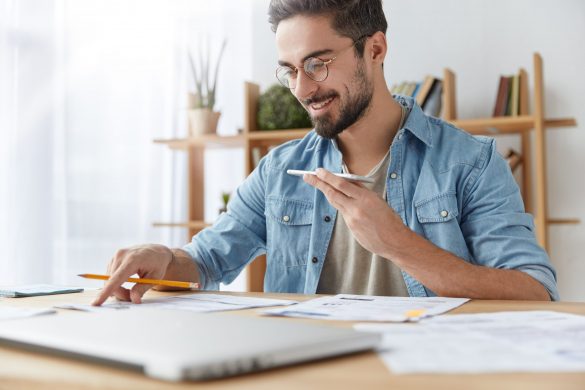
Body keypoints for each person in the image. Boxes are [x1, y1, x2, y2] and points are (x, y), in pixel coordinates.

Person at [93, 0, 558, 306]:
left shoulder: (469, 162)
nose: (303, 88)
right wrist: (164, 259)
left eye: (318, 63)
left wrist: (397, 243)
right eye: (290, 70)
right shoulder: (278, 171)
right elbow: (209, 260)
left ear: (375, 48)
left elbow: (534, 292)